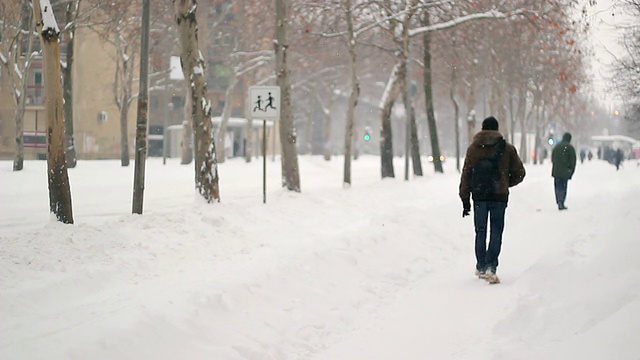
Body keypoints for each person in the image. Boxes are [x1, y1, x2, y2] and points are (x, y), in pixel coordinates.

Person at [459, 116, 526, 284]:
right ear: (497, 129)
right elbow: (520, 173)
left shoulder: (473, 149)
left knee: (480, 231)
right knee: (496, 231)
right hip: (499, 196)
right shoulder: (507, 148)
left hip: (479, 196)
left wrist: (465, 198)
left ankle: (481, 266)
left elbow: (466, 175)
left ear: (482, 128)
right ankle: (491, 267)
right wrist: (504, 183)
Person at [551, 132, 577, 210]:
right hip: (565, 171)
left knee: (557, 186)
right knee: (563, 187)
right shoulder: (570, 148)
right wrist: (571, 171)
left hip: (556, 171)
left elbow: (553, 158)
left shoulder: (557, 146)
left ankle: (558, 200)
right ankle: (561, 202)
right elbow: (573, 160)